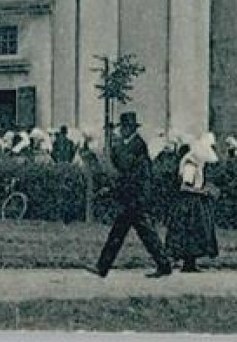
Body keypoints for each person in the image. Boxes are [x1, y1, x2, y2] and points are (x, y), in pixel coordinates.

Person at [89, 112, 171, 278]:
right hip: (132, 197)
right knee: (134, 233)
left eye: (124, 128)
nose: (122, 131)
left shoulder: (137, 145)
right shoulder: (131, 144)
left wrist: (112, 148)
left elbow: (124, 166)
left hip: (136, 198)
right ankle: (103, 267)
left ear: (129, 128)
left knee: (135, 233)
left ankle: (103, 267)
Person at [165, 133, 220, 273]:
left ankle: (190, 263)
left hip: (193, 201)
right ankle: (187, 263)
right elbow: (184, 187)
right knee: (191, 232)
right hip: (188, 203)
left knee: (194, 233)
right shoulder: (191, 164)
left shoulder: (196, 163)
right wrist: (202, 192)